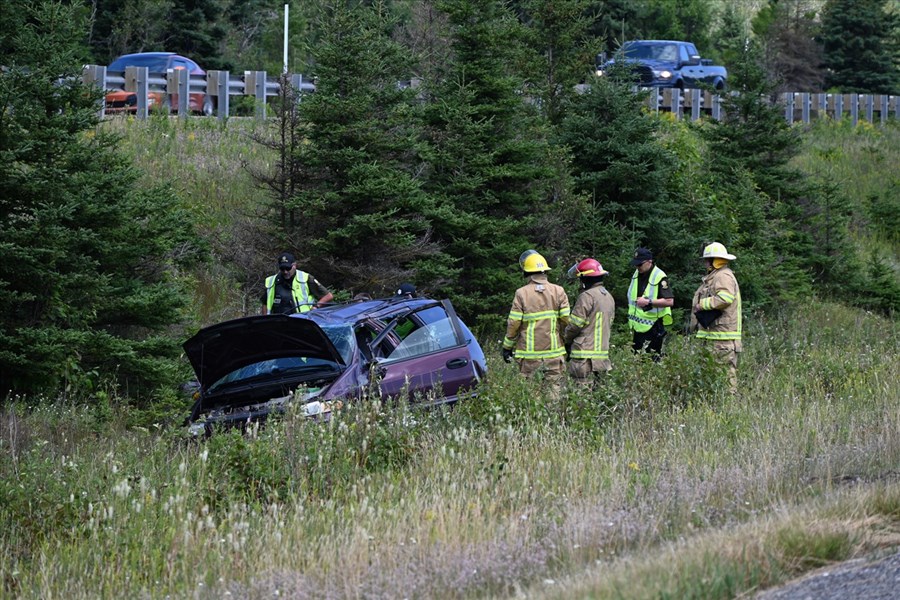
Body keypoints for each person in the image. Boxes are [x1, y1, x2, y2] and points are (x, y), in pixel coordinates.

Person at [502, 250, 571, 401]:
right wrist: (568, 343)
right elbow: (566, 321)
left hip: (529, 357)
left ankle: (535, 422)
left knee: (532, 396)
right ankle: (552, 422)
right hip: (554, 354)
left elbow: (513, 324)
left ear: (526, 272)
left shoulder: (521, 293)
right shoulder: (559, 291)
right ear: (545, 271)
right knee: (554, 392)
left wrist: (507, 347)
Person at [690, 242, 742, 393]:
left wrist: (703, 304)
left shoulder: (723, 276)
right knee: (712, 373)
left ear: (715, 260)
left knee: (725, 375)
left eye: (707, 260)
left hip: (723, 337)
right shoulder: (715, 276)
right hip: (715, 336)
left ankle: (727, 405)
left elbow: (725, 298)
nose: (705, 263)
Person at [563, 258, 615, 386]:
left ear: (585, 279)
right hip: (602, 359)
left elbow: (575, 324)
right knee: (599, 395)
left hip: (584, 357)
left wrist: (565, 340)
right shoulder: (608, 297)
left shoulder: (587, 296)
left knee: (582, 396)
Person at [627, 247, 674, 358]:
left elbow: (669, 301)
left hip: (653, 327)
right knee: (637, 359)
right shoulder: (637, 273)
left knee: (651, 360)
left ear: (649, 261)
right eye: (636, 264)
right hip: (638, 326)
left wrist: (648, 302)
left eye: (640, 264)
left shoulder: (659, 276)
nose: (637, 267)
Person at [261, 252, 333, 315]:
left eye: (288, 268)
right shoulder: (271, 281)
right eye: (282, 269)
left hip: (302, 321)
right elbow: (265, 303)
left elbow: (328, 296)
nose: (285, 272)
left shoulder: (306, 278)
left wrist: (316, 307)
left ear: (294, 265)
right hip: (279, 323)